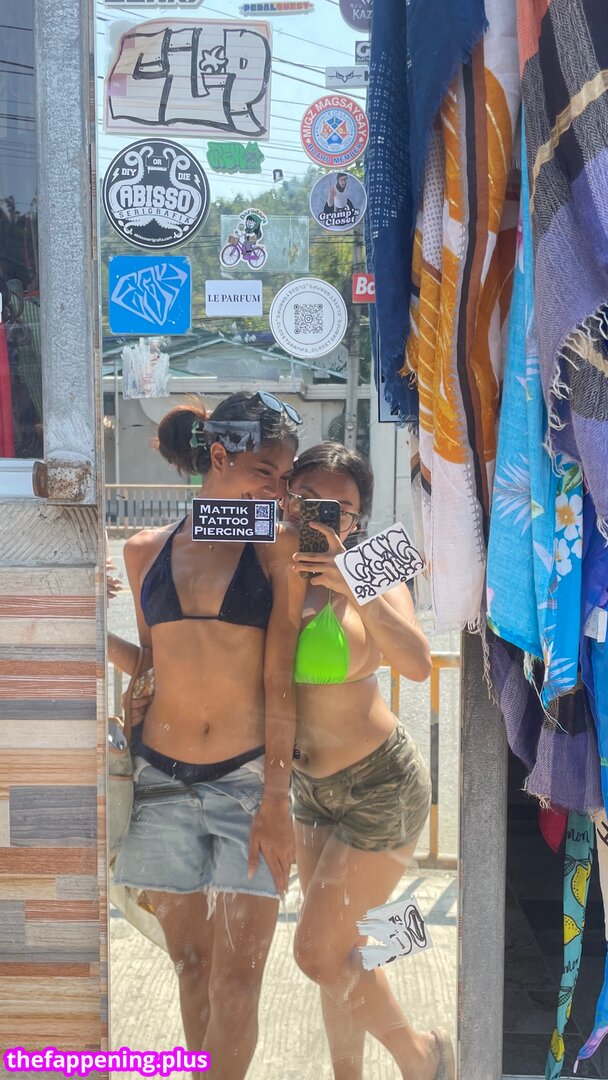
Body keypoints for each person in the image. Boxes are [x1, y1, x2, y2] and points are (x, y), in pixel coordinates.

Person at [112, 391, 305, 1080]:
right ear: (219, 456)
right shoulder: (144, 551)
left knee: (237, 983)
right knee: (192, 968)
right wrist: (96, 643)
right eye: (264, 472)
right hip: (160, 782)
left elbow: (279, 680)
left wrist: (276, 799)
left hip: (246, 785)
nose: (277, 490)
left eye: (285, 477)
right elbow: (154, 661)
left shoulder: (277, 548)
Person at [284, 442, 454, 1080]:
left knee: (318, 952)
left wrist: (355, 584)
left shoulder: (379, 559)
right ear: (287, 497)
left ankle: (423, 1057)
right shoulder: (271, 556)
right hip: (308, 788)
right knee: (340, 953)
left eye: (342, 506)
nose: (323, 514)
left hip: (382, 784)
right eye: (308, 498)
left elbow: (417, 662)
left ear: (360, 514)